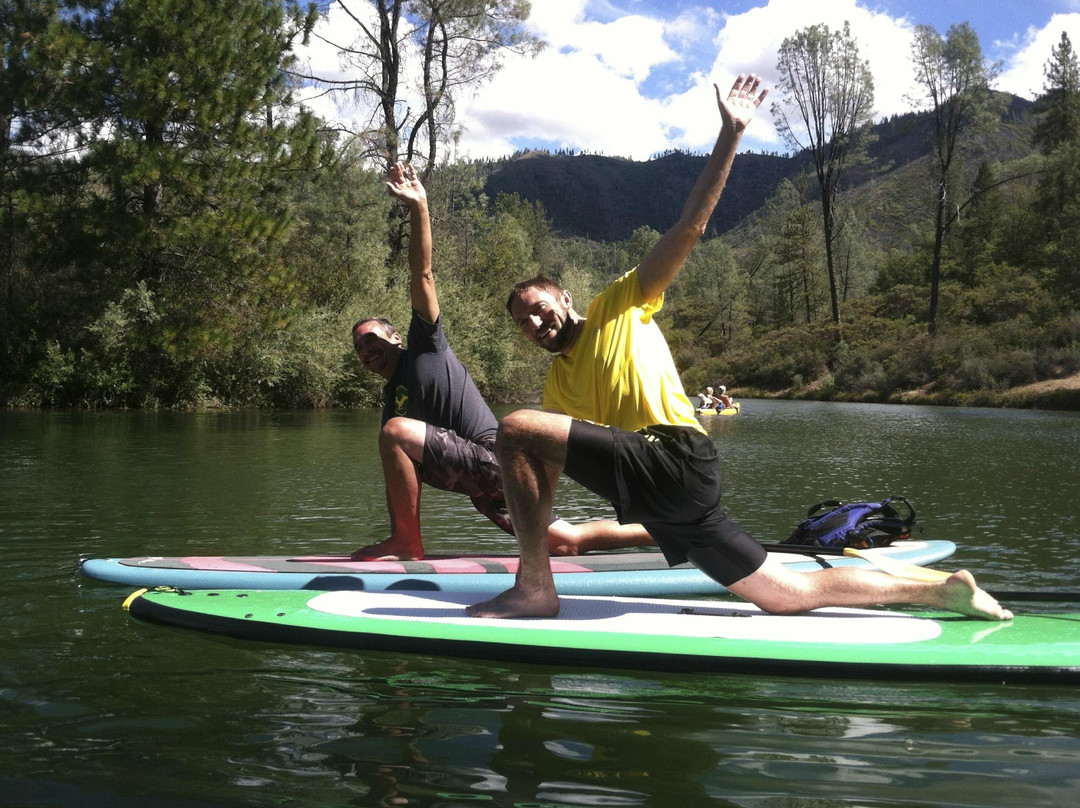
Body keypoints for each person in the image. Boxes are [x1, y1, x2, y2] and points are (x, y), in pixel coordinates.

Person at [465, 73, 1012, 622]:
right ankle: (943, 590)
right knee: (787, 594)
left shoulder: (620, 302)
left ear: (564, 296)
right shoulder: (558, 382)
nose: (535, 322)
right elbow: (547, 463)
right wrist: (542, 525)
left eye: (539, 307)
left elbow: (689, 227)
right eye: (523, 322)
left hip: (673, 458)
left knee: (513, 426)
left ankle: (534, 589)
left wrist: (731, 133)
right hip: (663, 499)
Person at [350, 162, 652, 561]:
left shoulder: (426, 349)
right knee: (562, 543)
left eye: (373, 338)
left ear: (397, 338)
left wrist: (419, 207)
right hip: (486, 481)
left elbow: (421, 273)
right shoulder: (394, 399)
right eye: (359, 348)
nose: (367, 349)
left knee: (393, 431)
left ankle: (406, 543)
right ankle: (663, 529)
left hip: (492, 460)